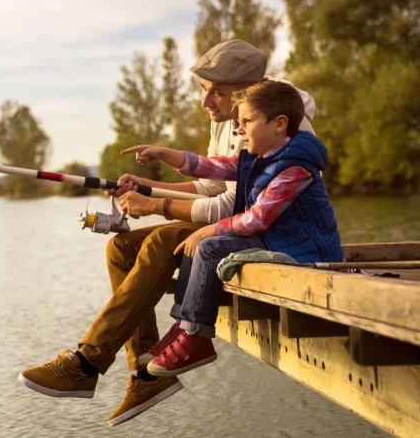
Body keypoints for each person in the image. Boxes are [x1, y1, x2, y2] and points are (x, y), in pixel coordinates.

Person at [17, 40, 320, 427]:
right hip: (235, 221)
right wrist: (145, 188)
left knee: (160, 239)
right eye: (203, 90)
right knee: (120, 250)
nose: (206, 103)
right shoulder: (229, 120)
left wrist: (156, 206)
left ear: (246, 93)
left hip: (267, 231)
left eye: (217, 93)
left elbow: (233, 205)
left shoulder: (278, 121)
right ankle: (143, 377)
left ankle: (88, 360)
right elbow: (213, 185)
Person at [122, 79, 343, 377]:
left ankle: (197, 339)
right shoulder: (261, 157)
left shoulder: (295, 166)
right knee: (196, 241)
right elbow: (210, 166)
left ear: (279, 124)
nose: (239, 130)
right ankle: (184, 327)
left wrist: (207, 230)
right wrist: (163, 152)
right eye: (238, 123)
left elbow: (257, 219)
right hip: (276, 239)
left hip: (304, 249)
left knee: (209, 245)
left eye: (247, 122)